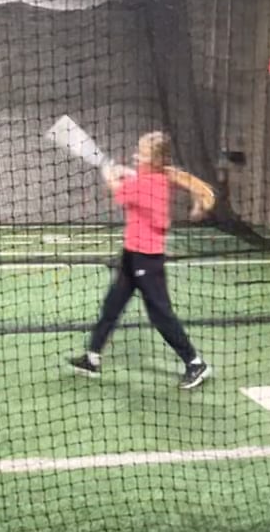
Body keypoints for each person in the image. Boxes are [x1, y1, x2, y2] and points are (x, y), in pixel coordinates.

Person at [71, 131, 216, 390]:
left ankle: (195, 363)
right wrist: (125, 172)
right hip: (131, 255)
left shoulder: (146, 185)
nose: (136, 156)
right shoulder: (155, 178)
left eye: (143, 153)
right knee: (112, 306)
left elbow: (118, 189)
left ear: (155, 160)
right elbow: (146, 179)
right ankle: (92, 358)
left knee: (160, 314)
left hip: (146, 260)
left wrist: (109, 173)